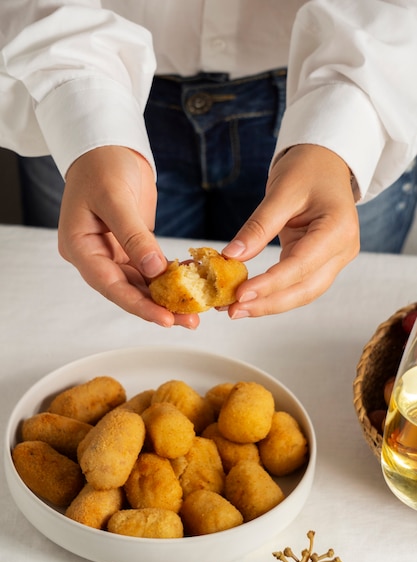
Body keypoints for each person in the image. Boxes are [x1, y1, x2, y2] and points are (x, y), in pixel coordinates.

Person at [1, 1, 417, 329]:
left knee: (337, 314)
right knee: (61, 310)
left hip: (345, 91)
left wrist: (344, 128)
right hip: (75, 89)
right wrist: (81, 111)